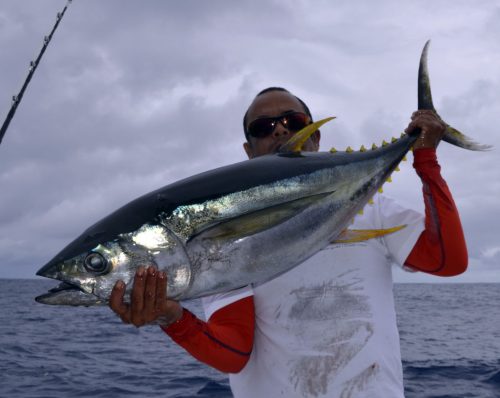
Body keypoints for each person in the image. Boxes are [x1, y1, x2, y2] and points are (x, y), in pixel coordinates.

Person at [110, 87, 467, 397]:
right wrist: (172, 318)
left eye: (293, 120)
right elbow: (234, 352)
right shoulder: (221, 241)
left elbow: (447, 261)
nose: (280, 128)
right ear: (249, 151)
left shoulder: (371, 209)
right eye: (263, 127)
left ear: (316, 135)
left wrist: (426, 158)